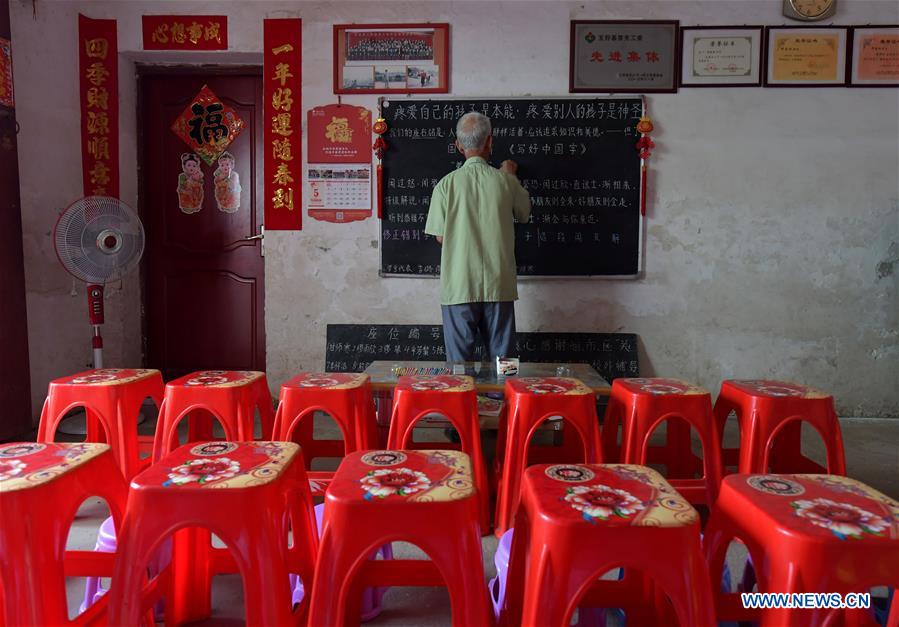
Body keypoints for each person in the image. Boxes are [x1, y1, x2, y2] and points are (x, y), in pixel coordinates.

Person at [424, 111, 532, 363]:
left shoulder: (445, 185)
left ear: (458, 145)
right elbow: (525, 213)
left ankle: (461, 400)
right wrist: (512, 175)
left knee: (459, 366)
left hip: (459, 285)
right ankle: (506, 399)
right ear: (490, 141)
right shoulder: (505, 182)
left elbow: (440, 237)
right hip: (498, 284)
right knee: (504, 363)